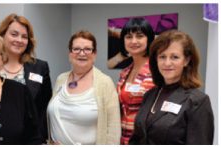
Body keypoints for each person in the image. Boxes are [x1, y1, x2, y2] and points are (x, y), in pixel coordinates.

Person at [130, 30, 214, 144]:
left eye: (174, 57)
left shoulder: (197, 101)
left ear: (186, 60)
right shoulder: (149, 95)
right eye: (162, 57)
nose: (167, 63)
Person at [47, 30, 121, 145]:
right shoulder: (61, 79)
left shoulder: (105, 83)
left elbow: (113, 131)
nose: (82, 53)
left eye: (87, 49)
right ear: (70, 54)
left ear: (94, 54)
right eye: (76, 49)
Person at [0, 13, 52, 143]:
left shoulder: (39, 67)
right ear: (3, 35)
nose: (19, 40)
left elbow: (45, 107)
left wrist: (44, 138)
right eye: (14, 34)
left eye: (24, 37)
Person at [116, 17, 155, 145]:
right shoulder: (124, 72)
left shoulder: (157, 72)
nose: (133, 41)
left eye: (139, 36)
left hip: (146, 139)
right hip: (123, 139)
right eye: (128, 37)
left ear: (149, 39)